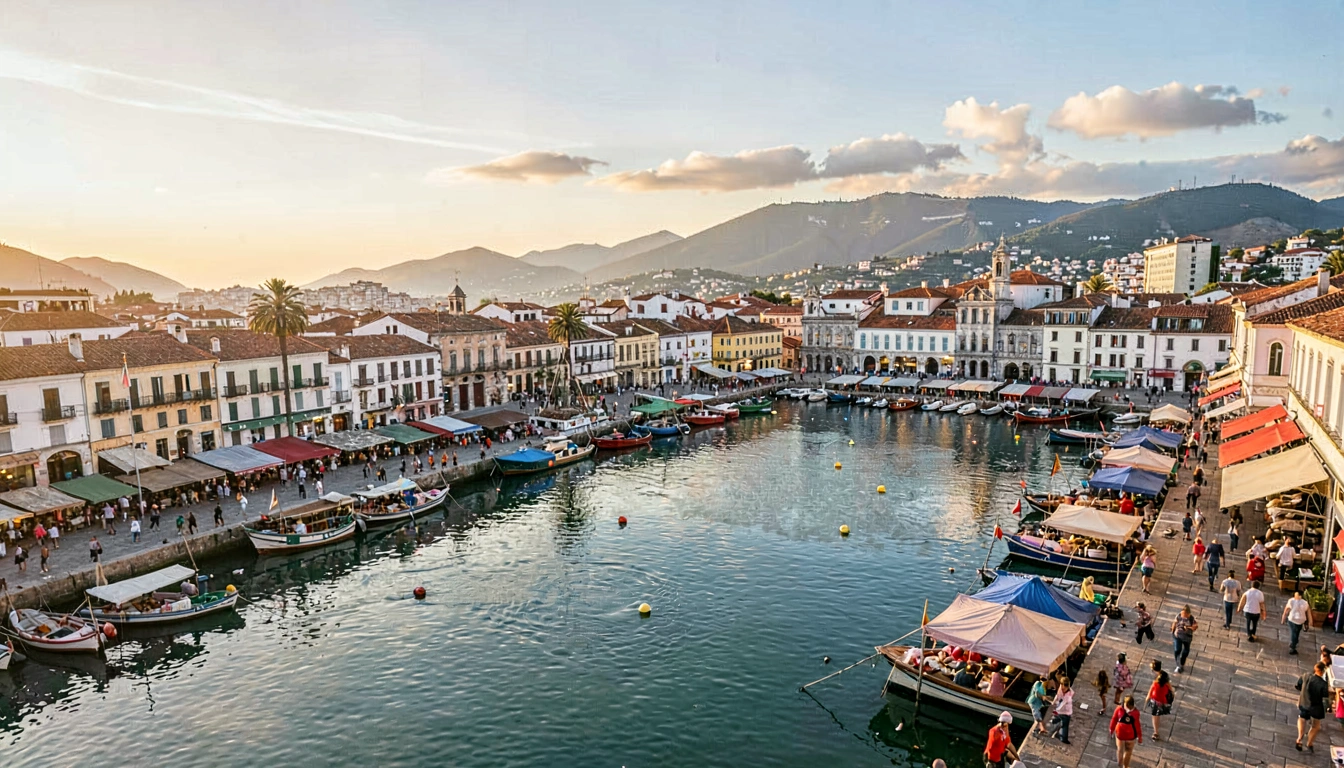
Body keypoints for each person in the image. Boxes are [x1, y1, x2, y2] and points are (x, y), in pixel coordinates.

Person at [1296, 661, 1329, 753]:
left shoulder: (1306, 675)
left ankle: (1300, 737)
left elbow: (1298, 685)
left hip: (1304, 702)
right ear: (1322, 671)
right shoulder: (1323, 684)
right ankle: (1309, 743)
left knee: (1302, 717)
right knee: (1316, 726)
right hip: (1315, 707)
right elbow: (1325, 695)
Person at [1109, 695, 1143, 767]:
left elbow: (1114, 719)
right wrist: (1139, 737)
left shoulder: (1119, 709)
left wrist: (1111, 729)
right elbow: (1137, 725)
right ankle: (1125, 766)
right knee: (1128, 751)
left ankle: (1120, 763)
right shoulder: (1136, 713)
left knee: (1119, 750)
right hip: (1131, 735)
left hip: (1120, 733)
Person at [1046, 676, 1074, 744]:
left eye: (1065, 686)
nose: (1063, 687)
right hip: (1061, 708)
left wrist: (1057, 710)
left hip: (1066, 710)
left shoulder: (1069, 694)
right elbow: (1058, 695)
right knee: (1063, 723)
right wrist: (1054, 701)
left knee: (1064, 722)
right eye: (1062, 685)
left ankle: (1060, 735)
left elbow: (1063, 703)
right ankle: (1061, 736)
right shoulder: (1061, 688)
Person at [1146, 670, 1173, 741]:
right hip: (1162, 702)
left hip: (1155, 702)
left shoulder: (1155, 684)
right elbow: (1172, 692)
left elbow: (1149, 694)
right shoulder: (1167, 685)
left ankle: (1156, 732)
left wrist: (1146, 702)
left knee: (1155, 717)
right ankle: (1156, 731)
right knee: (1158, 715)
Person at [1172, 605, 1197, 673]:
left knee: (1186, 651)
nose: (1183, 615)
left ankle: (1182, 662)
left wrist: (1188, 628)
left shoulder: (1191, 619)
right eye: (1182, 613)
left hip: (1187, 637)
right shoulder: (1178, 616)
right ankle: (1178, 665)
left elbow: (1195, 627)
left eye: (1185, 614)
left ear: (1188, 613)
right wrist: (1172, 630)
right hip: (1178, 636)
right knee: (1177, 650)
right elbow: (1174, 622)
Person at [1283, 591, 1310, 655]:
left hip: (1292, 619)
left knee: (1294, 632)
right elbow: (1308, 612)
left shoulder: (1291, 601)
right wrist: (1309, 621)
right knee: (1296, 632)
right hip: (1300, 620)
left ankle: (1293, 644)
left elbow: (1286, 610)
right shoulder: (1305, 603)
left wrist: (1283, 618)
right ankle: (1293, 645)